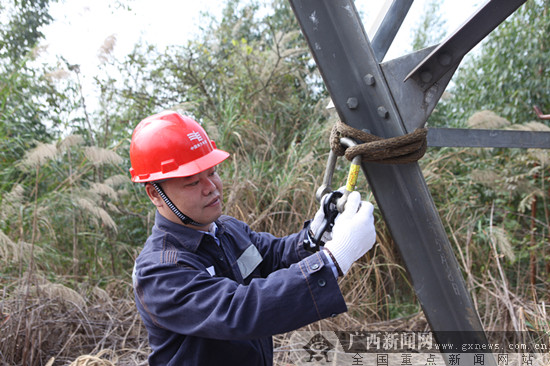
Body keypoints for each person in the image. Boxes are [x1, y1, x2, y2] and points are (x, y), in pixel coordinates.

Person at [129, 110, 377, 365]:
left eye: (212, 172)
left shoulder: (227, 230)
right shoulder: (159, 271)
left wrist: (317, 234)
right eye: (192, 182)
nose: (211, 187)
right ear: (155, 194)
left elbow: (274, 256)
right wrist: (334, 259)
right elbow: (238, 310)